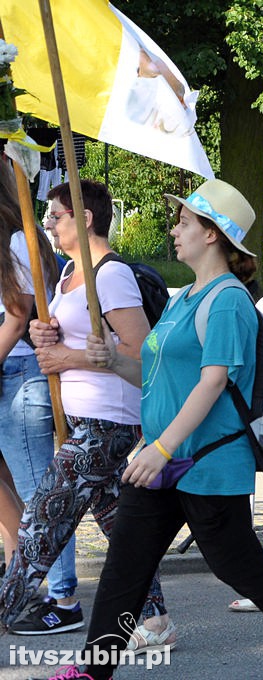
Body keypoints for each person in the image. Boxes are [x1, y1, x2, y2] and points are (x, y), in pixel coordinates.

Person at [61, 178, 263, 680]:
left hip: (207, 461)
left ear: (213, 234)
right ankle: (93, 671)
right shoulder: (184, 297)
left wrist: (163, 446)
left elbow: (214, 381)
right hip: (162, 458)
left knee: (239, 568)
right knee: (125, 566)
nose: (175, 230)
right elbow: (154, 375)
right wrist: (112, 361)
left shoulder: (227, 301)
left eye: (185, 222)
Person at [0, 179, 171, 643]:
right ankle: (155, 618)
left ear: (85, 217)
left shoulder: (109, 275)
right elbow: (70, 337)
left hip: (108, 421)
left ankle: (6, 611)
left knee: (41, 519)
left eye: (57, 216)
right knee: (119, 524)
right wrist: (45, 337)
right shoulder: (69, 273)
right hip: (82, 418)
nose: (49, 225)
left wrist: (67, 357)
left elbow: (139, 353)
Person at [0, 160, 58, 571]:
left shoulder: (20, 238)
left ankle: (52, 589)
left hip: (21, 370)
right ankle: (17, 570)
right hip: (10, 368)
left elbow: (18, 316)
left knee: (36, 488)